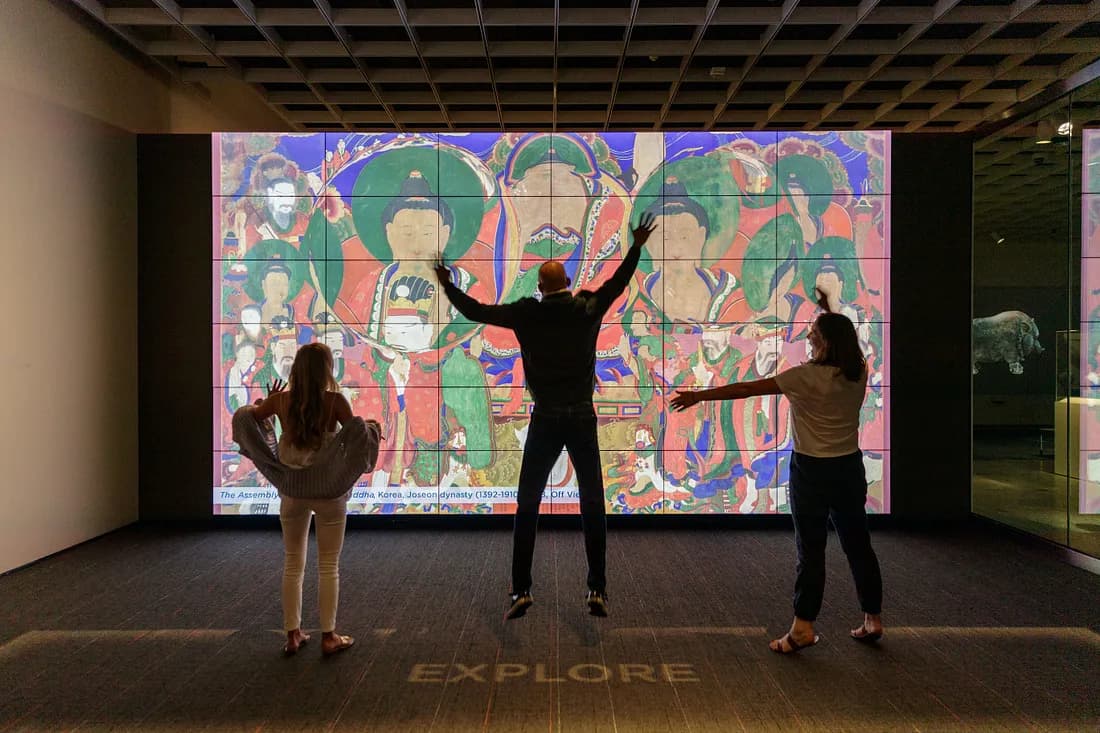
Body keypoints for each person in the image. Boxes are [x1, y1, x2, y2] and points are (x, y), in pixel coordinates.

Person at [434, 213, 657, 620]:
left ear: (539, 287)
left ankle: (521, 589)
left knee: (528, 504)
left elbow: (475, 311)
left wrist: (448, 284)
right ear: (568, 283)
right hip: (582, 417)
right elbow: (619, 283)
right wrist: (636, 246)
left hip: (546, 418)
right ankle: (597, 589)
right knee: (593, 503)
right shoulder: (587, 307)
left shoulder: (527, 313)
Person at [671, 293, 884, 653]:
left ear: (826, 341)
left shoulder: (804, 377)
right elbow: (843, 339)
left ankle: (803, 627)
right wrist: (829, 309)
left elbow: (748, 388)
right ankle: (873, 618)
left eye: (812, 332)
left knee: (811, 550)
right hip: (848, 467)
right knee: (858, 544)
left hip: (811, 471)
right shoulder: (858, 370)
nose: (807, 337)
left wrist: (699, 397)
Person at [249, 343, 379, 656]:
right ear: (326, 370)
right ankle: (328, 636)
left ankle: (293, 635)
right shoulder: (335, 401)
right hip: (329, 494)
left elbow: (252, 416)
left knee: (293, 563)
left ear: (295, 369)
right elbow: (355, 435)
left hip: (292, 492)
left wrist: (266, 401)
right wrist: (372, 428)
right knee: (328, 566)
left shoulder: (281, 400)